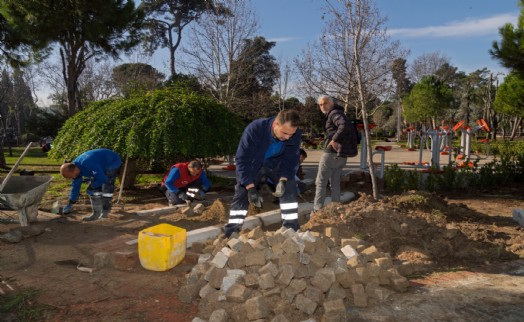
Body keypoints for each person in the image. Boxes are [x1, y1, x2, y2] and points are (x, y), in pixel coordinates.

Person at [224, 109, 302, 238]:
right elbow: (242, 159)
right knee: (242, 192)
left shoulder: (295, 133)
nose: (288, 137)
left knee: (289, 186)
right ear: (275, 124)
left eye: (291, 134)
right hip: (253, 165)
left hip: (275, 165)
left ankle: (290, 228)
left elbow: (291, 159)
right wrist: (250, 187)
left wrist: (283, 180)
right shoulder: (256, 129)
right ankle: (232, 230)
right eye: (284, 133)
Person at [312, 95, 358, 213]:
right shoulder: (338, 112)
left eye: (325, 103)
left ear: (331, 103)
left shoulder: (334, 113)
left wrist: (334, 140)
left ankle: (317, 210)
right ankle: (336, 209)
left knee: (320, 182)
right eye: (320, 104)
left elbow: (344, 125)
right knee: (335, 183)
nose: (323, 106)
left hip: (331, 154)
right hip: (341, 155)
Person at [60, 148, 122, 221]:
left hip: (112, 161)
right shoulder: (75, 168)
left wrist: (92, 186)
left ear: (75, 170)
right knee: (94, 191)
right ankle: (96, 214)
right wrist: (71, 201)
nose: (72, 178)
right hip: (98, 165)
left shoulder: (88, 163)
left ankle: (105, 213)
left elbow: (103, 178)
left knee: (107, 186)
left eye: (71, 176)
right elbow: (75, 185)